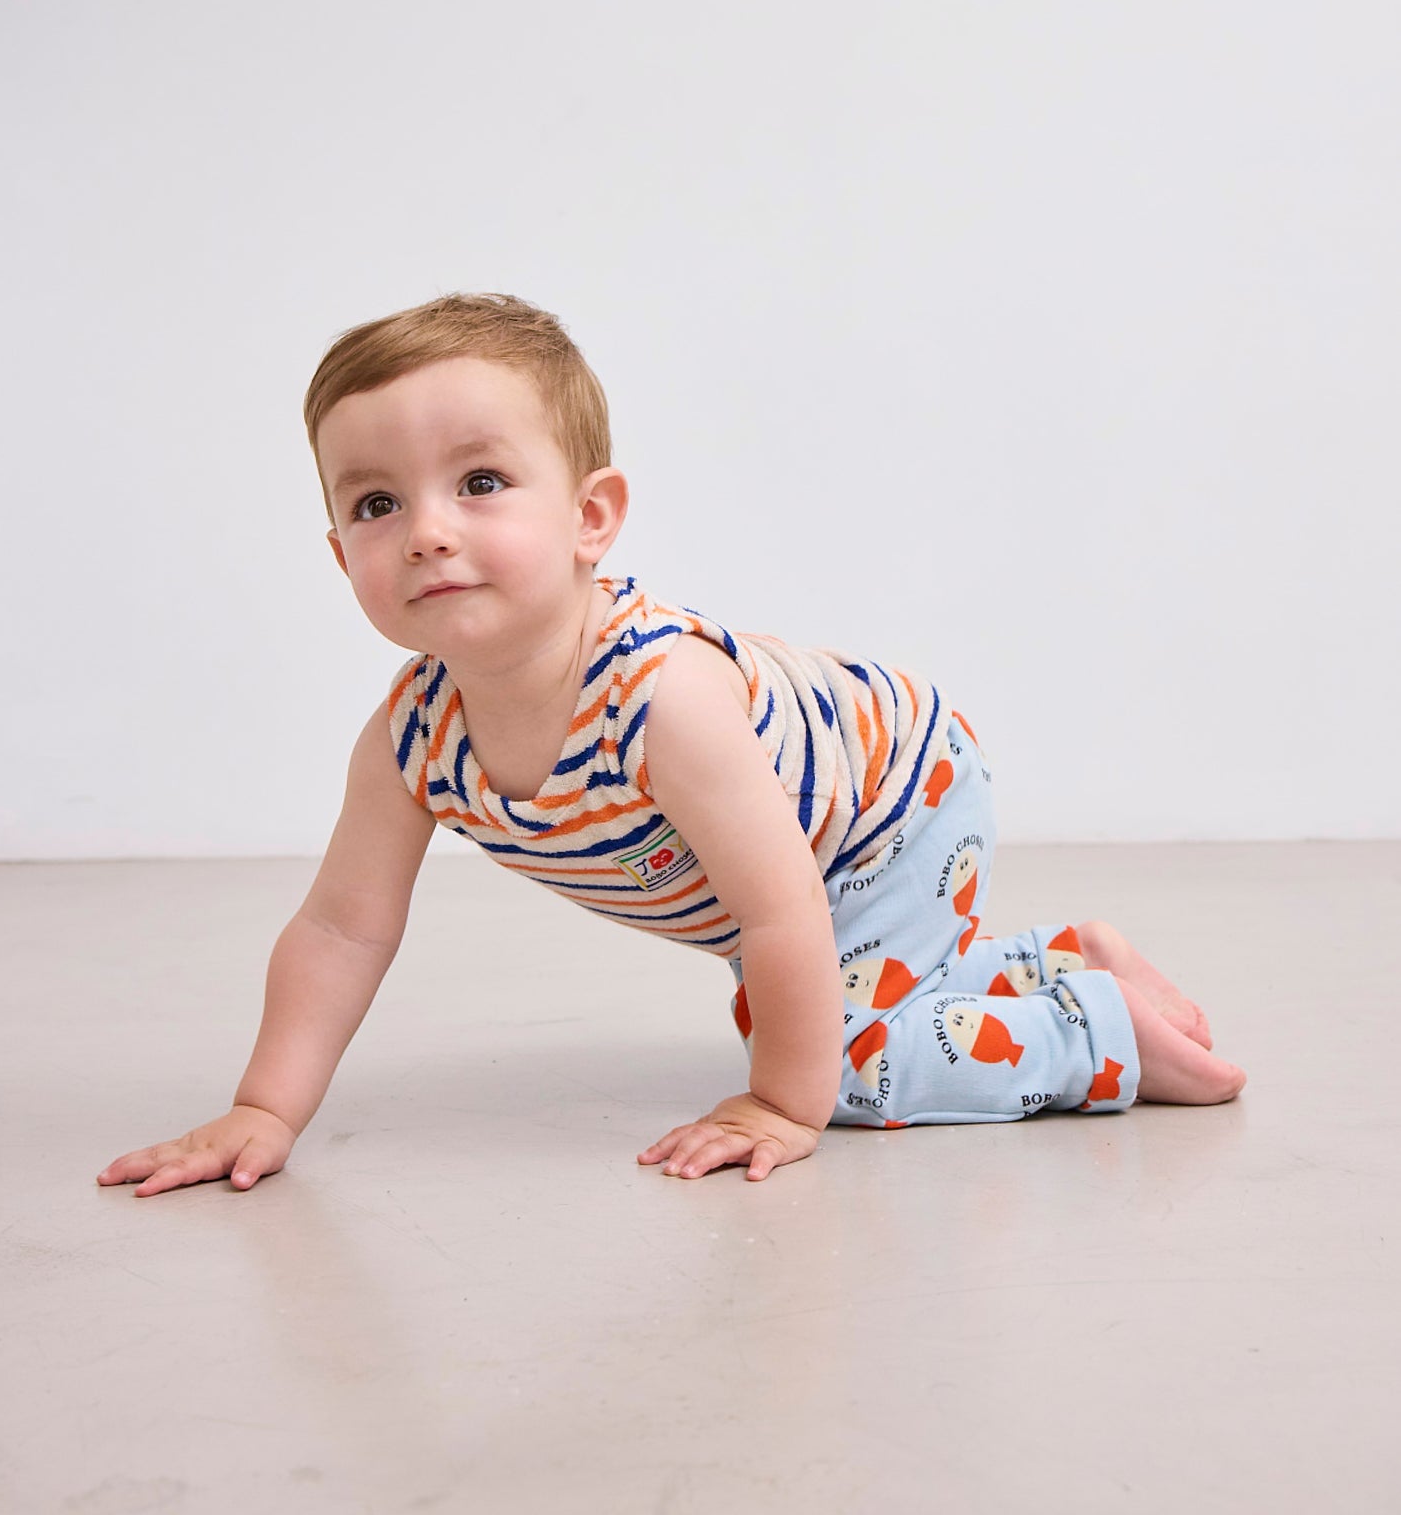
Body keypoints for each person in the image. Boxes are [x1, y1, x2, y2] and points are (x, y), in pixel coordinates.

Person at [98, 293, 1246, 1197]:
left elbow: (782, 905)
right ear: (337, 548)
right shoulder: (412, 738)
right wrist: (265, 1107)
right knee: (824, 1012)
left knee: (846, 1063)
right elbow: (342, 928)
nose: (426, 532)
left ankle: (1099, 1034)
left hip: (888, 803)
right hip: (808, 858)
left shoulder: (661, 700)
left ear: (591, 516)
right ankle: (1058, 959)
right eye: (375, 504)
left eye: (481, 482)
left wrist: (783, 1107)